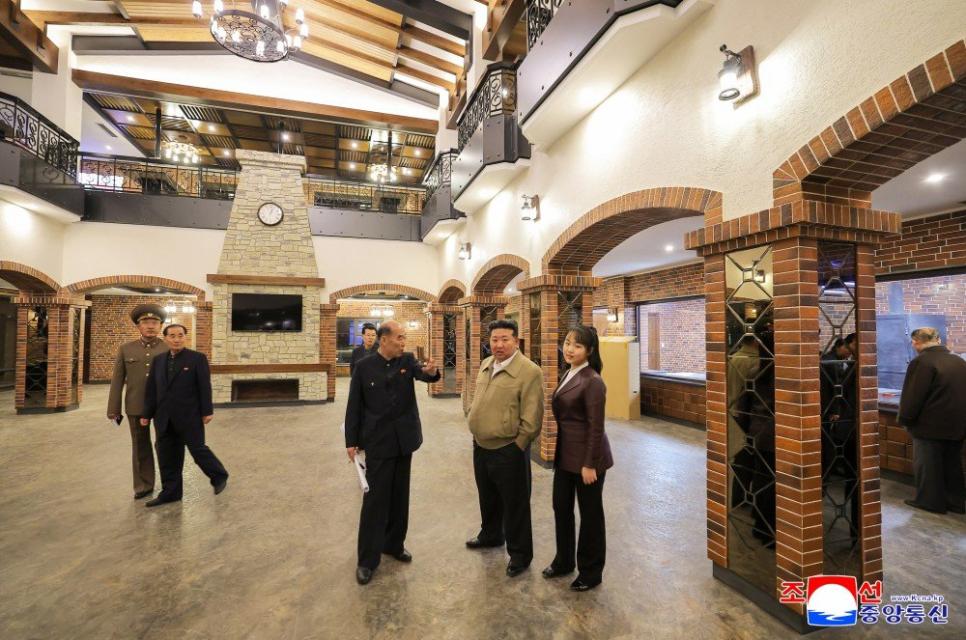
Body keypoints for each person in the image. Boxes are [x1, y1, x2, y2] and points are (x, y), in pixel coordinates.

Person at [345, 320, 440, 585]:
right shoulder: (364, 367)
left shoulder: (407, 361)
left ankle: (394, 544)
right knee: (375, 502)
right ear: (384, 339)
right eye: (399, 337)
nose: (403, 342)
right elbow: (354, 406)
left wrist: (432, 372)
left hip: (404, 441)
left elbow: (425, 375)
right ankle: (367, 560)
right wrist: (351, 441)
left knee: (400, 497)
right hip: (378, 442)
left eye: (404, 337)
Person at [465, 319, 544, 578]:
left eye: (504, 339)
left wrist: (517, 446)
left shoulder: (529, 371)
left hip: (508, 449)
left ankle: (520, 555)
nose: (498, 345)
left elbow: (532, 417)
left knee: (515, 505)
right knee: (487, 497)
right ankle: (491, 535)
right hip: (481, 445)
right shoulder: (487, 364)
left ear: (516, 341)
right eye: (494, 340)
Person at [543, 326, 613, 592]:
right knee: (561, 507)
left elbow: (596, 427)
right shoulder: (569, 372)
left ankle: (591, 571)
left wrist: (589, 464)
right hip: (565, 456)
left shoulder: (592, 380)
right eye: (567, 342)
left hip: (588, 460)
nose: (570, 349)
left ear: (590, 351)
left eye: (578, 346)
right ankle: (564, 561)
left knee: (590, 515)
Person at [140, 324, 229, 508]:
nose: (177, 339)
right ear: (165, 338)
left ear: (185, 337)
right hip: (163, 417)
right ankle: (170, 493)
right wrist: (146, 413)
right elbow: (151, 389)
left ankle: (219, 475)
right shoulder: (158, 360)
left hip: (189, 415)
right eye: (172, 336)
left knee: (198, 450)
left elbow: (204, 386)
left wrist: (207, 410)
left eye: (180, 335)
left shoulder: (197, 358)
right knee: (167, 456)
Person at [898, 327, 966, 515]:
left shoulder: (921, 362)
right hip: (958, 424)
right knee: (953, 465)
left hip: (929, 425)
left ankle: (930, 502)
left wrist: (905, 419)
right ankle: (957, 503)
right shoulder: (959, 361)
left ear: (916, 342)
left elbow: (913, 395)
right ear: (938, 340)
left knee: (928, 466)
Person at [107, 303, 169, 499]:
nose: (150, 326)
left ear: (160, 326)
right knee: (140, 446)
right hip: (136, 405)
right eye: (145, 322)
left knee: (166, 445)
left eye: (154, 322)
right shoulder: (126, 349)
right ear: (138, 326)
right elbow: (117, 381)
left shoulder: (169, 348)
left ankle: (170, 484)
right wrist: (113, 409)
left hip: (163, 407)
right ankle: (143, 486)